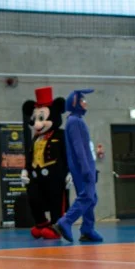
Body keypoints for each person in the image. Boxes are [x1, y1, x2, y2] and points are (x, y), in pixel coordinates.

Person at [55, 89, 103, 243]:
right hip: (82, 166)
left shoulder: (75, 120)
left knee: (92, 197)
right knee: (87, 196)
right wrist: (85, 168)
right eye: (83, 101)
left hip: (85, 165)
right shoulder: (75, 121)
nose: (85, 104)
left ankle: (87, 229)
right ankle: (66, 221)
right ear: (75, 103)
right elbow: (79, 148)